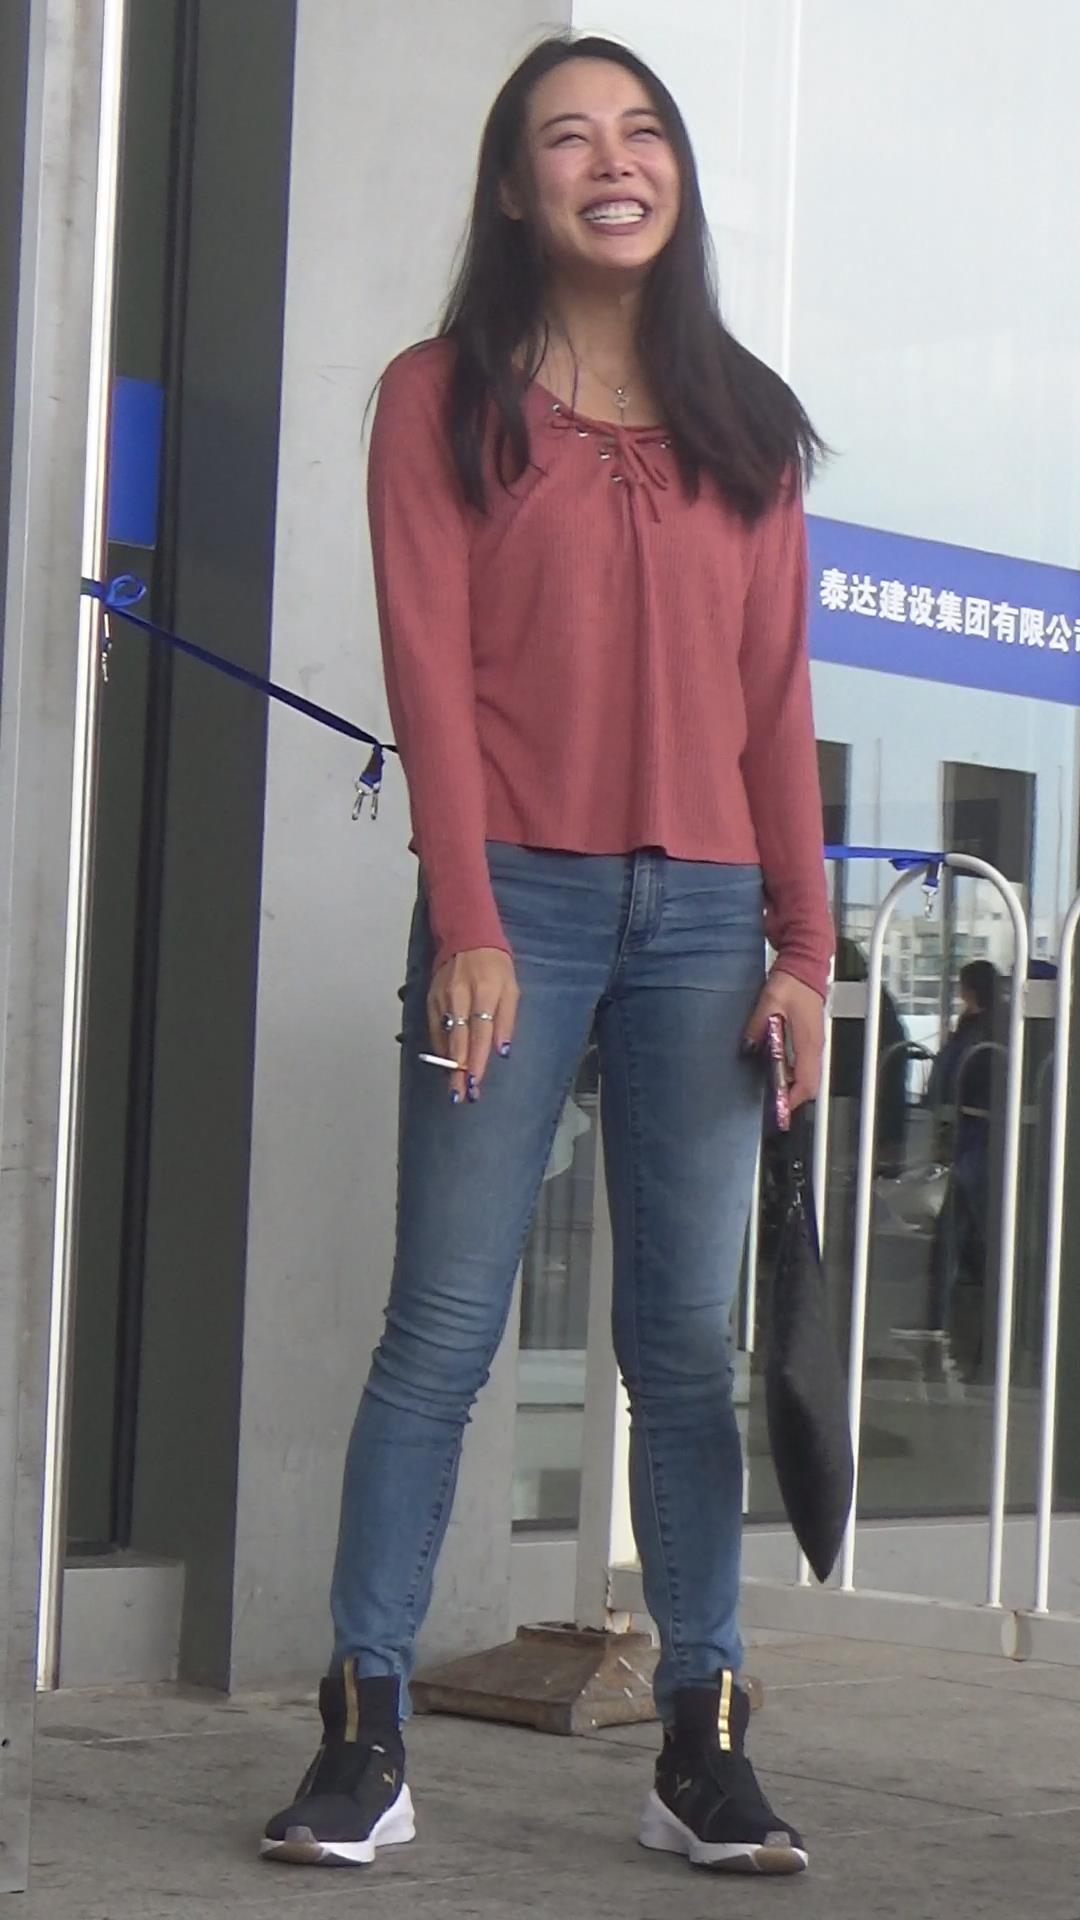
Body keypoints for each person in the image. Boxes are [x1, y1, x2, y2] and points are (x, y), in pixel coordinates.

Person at [262, 32, 831, 1880]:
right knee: (440, 1331)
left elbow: (776, 704)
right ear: (516, 191)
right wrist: (473, 920)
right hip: (515, 898)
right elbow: (428, 676)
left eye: (643, 129)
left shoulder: (749, 423)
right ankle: (362, 1739)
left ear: (678, 175)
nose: (614, 159)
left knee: (682, 1349)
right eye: (569, 137)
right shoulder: (440, 399)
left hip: (710, 920)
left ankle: (704, 1746)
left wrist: (806, 951)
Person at [923, 959, 999, 1344]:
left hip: (975, 1143)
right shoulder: (995, 1029)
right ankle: (949, 1321)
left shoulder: (976, 1033)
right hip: (978, 1143)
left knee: (965, 1235)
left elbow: (950, 1078)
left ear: (970, 991)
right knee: (965, 1234)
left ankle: (944, 1321)